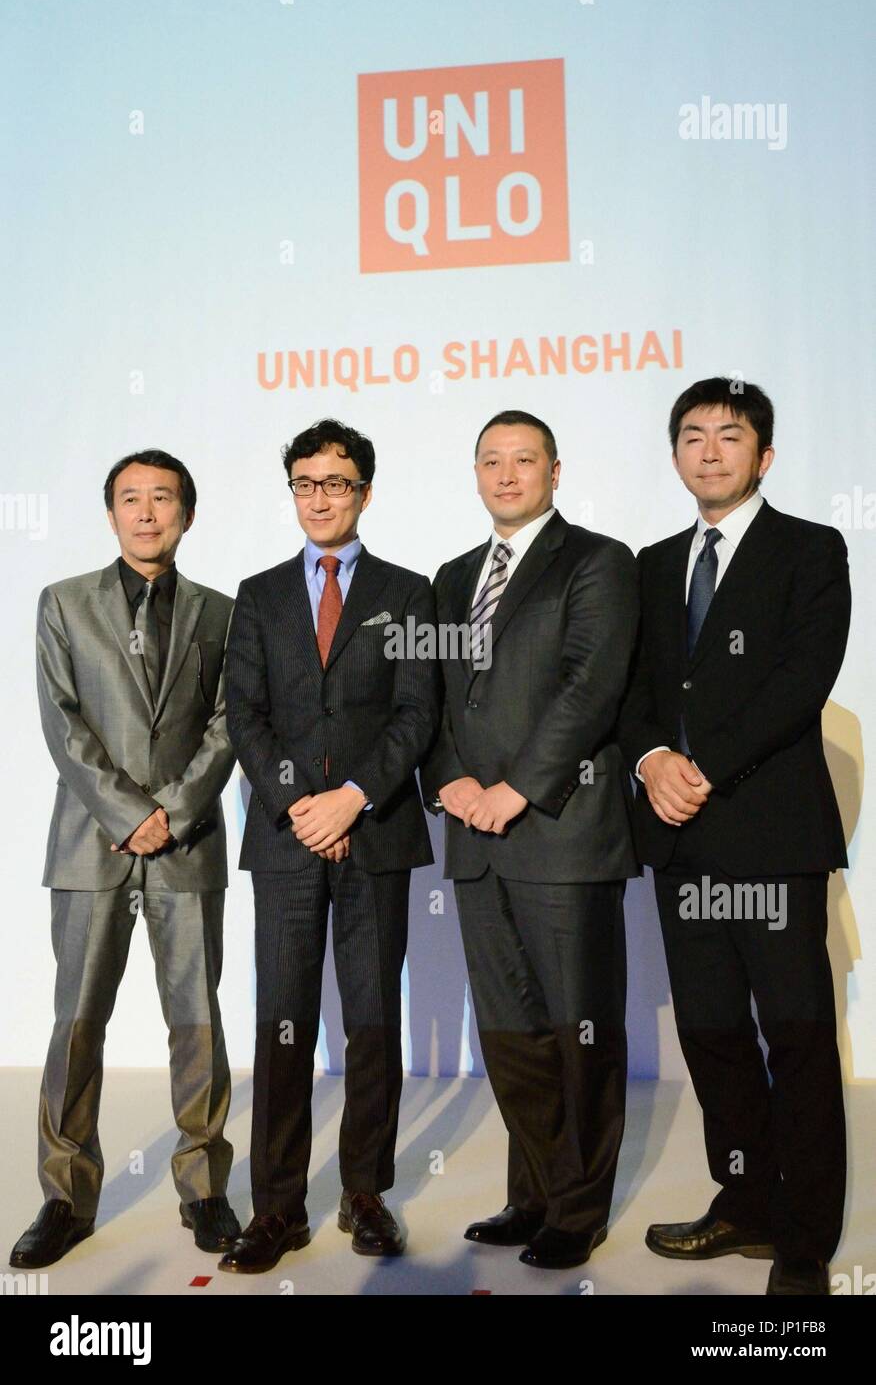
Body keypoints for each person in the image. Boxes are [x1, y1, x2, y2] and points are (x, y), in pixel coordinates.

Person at [618, 377, 850, 1296]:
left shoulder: (811, 548)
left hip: (771, 839)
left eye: (730, 435)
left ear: (765, 454)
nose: (709, 451)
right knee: (713, 1038)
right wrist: (648, 762)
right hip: (681, 842)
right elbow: (629, 690)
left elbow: (800, 682)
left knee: (793, 1035)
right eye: (692, 436)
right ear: (675, 453)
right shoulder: (652, 561)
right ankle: (745, 1202)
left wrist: (699, 765)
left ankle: (805, 1237)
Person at [10, 450, 240, 1270]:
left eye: (164, 498)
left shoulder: (222, 612)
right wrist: (129, 811)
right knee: (77, 1024)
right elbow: (62, 722)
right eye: (131, 500)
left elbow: (227, 724)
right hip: (91, 843)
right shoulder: (62, 604)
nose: (147, 513)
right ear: (111, 514)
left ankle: (206, 1191)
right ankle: (65, 1197)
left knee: (198, 1022)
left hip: (188, 845)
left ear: (188, 511)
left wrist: (170, 814)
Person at [421, 409, 639, 1270]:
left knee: (579, 1028)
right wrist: (451, 781)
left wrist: (514, 788)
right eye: (490, 461)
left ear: (555, 469)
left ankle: (578, 1210)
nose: (506, 475)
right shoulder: (450, 576)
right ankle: (536, 1192)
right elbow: (432, 699)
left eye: (524, 460)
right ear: (475, 474)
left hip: (560, 831)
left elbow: (591, 688)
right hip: (477, 841)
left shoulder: (597, 561)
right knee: (511, 1031)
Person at [220, 419, 440, 1272]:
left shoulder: (408, 591)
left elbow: (417, 713)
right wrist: (300, 803)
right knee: (283, 1023)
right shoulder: (260, 593)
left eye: (336, 483)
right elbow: (246, 714)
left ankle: (365, 1195)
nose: (319, 497)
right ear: (293, 493)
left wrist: (349, 800)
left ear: (365, 493)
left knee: (371, 1021)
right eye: (305, 483)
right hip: (284, 843)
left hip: (376, 835)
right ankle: (276, 1209)